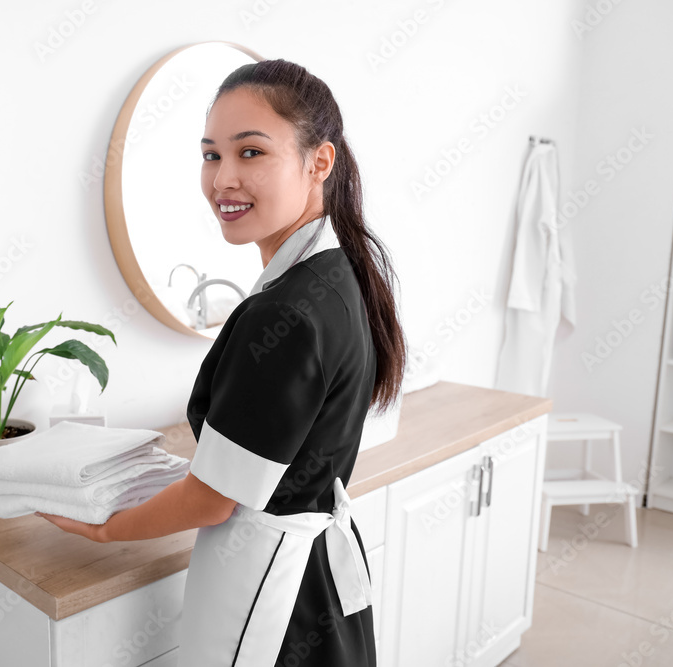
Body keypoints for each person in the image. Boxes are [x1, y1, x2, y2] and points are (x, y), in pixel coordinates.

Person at [36, 58, 406, 667]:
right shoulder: (338, 273)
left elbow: (212, 500)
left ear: (320, 162)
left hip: (272, 592)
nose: (223, 179)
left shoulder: (285, 314)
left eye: (251, 153)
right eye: (211, 155)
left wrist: (105, 529)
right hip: (315, 580)